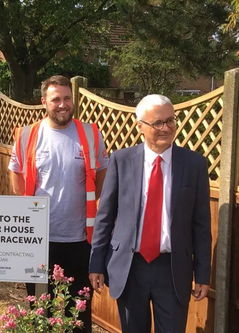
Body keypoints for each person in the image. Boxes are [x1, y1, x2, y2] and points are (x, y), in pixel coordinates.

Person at [89, 94, 211, 333]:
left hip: (173, 269)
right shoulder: (121, 160)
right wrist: (96, 263)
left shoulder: (194, 164)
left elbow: (201, 225)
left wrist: (203, 274)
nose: (165, 128)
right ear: (140, 127)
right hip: (130, 266)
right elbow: (104, 216)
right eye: (157, 123)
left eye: (170, 121)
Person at [8, 75, 109, 332]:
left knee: (79, 314)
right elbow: (18, 187)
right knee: (42, 311)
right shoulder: (26, 135)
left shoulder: (91, 134)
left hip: (80, 240)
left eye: (67, 98)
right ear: (44, 102)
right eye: (56, 99)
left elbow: (101, 183)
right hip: (38, 242)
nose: (62, 104)